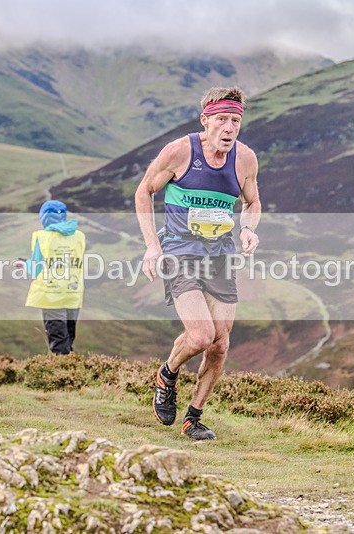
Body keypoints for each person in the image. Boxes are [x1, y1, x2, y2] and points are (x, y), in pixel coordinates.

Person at [135, 87, 260, 440]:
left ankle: (193, 417)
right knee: (202, 335)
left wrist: (248, 229)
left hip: (219, 256)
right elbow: (144, 191)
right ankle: (168, 373)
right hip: (180, 252)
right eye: (221, 119)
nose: (228, 128)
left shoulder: (245, 160)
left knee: (220, 344)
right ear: (205, 120)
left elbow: (253, 202)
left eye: (235, 121)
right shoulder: (179, 152)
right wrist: (151, 246)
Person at [24, 200, 85, 354]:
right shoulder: (79, 236)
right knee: (68, 338)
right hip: (73, 295)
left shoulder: (42, 238)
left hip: (52, 297)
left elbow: (36, 268)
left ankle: (61, 374)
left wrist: (25, 265)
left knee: (58, 341)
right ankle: (71, 370)